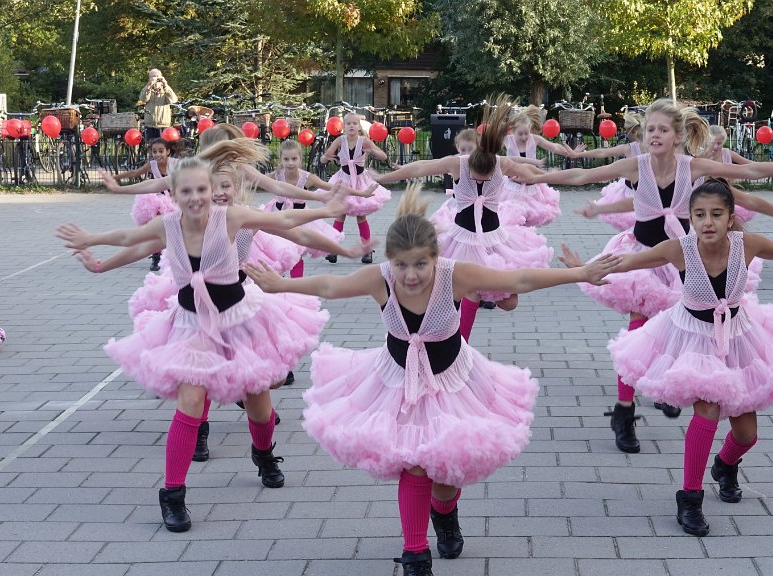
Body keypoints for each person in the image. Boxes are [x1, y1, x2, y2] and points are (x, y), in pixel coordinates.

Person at [242, 182, 618, 576]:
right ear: (390, 262)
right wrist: (281, 283)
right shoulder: (380, 279)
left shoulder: (456, 276)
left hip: (454, 384)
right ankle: (415, 554)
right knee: (414, 465)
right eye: (401, 265)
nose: (410, 275)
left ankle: (446, 512)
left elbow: (519, 280)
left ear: (436, 258)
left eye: (420, 264)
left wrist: (580, 272)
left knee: (445, 477)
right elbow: (329, 285)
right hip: (397, 385)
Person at [55, 157, 347, 533]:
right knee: (191, 403)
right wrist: (94, 249)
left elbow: (286, 221)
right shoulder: (168, 224)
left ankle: (263, 454)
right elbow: (130, 239)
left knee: (259, 406)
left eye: (201, 190)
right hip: (192, 326)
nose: (195, 198)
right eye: (187, 191)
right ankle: (173, 494)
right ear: (173, 195)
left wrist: (329, 208)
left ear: (211, 192)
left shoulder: (229, 218)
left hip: (240, 319)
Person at [514, 98, 773, 455]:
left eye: (662, 129)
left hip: (686, 261)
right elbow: (582, 176)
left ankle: (674, 384)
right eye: (650, 129)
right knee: (638, 327)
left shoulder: (694, 167)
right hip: (643, 255)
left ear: (678, 136)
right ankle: (624, 411)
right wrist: (539, 176)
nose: (654, 134)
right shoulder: (636, 165)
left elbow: (750, 175)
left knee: (684, 328)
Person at [605, 179, 773, 536]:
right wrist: (581, 271)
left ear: (730, 218)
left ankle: (725, 465)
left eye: (716, 214)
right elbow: (627, 261)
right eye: (699, 215)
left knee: (746, 435)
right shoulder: (679, 248)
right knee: (708, 410)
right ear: (690, 218)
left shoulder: (747, 245)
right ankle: (689, 499)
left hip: (739, 338)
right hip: (692, 339)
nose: (707, 222)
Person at [372, 96, 554, 340]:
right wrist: (382, 178)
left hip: (494, 240)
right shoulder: (458, 164)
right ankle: (460, 342)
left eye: (484, 178)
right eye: (477, 178)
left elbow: (531, 173)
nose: (480, 181)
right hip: (461, 240)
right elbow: (419, 168)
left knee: (510, 302)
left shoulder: (503, 164)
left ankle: (465, 312)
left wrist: (552, 175)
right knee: (468, 290)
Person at [263, 139, 346, 277]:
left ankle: (297, 286)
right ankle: (278, 281)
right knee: (279, 250)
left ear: (300, 159)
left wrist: (357, 192)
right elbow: (252, 181)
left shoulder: (308, 178)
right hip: (277, 217)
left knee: (296, 251)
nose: (290, 163)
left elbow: (329, 187)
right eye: (286, 159)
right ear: (281, 160)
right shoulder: (275, 176)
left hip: (300, 220)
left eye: (294, 158)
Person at [321, 113, 392, 263]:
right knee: (340, 213)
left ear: (359, 126)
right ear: (344, 126)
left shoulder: (364, 141)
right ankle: (333, 248)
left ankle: (366, 250)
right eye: (348, 123)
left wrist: (372, 151)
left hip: (360, 181)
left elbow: (384, 156)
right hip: (343, 180)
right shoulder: (340, 141)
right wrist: (326, 157)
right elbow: (323, 158)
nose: (352, 126)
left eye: (355, 123)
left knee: (361, 215)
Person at [563, 112, 645, 232]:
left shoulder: (629, 148)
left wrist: (579, 154)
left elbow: (603, 152)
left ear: (630, 131)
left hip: (633, 192)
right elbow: (602, 152)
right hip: (641, 190)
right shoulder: (655, 146)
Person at [497, 106, 568, 227]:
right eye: (520, 134)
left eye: (527, 133)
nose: (524, 137)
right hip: (512, 187)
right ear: (513, 131)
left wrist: (570, 152)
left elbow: (554, 147)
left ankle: (527, 240)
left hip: (531, 185)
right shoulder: (507, 140)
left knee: (530, 219)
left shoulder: (535, 139)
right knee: (511, 219)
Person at [118, 138, 179, 271]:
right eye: (154, 151)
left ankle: (178, 256)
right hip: (160, 200)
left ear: (168, 151)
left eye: (161, 151)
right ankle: (156, 255)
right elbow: (135, 173)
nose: (157, 154)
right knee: (156, 225)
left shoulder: (177, 164)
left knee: (175, 230)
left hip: (177, 200)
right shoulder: (152, 165)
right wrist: (115, 178)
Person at [139, 69, 178, 141]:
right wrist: (148, 86)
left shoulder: (166, 90)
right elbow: (143, 99)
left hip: (164, 125)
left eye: (158, 76)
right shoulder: (147, 89)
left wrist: (165, 85)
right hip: (150, 125)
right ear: (149, 78)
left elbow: (173, 100)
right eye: (153, 76)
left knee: (163, 147)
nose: (156, 78)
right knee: (150, 147)